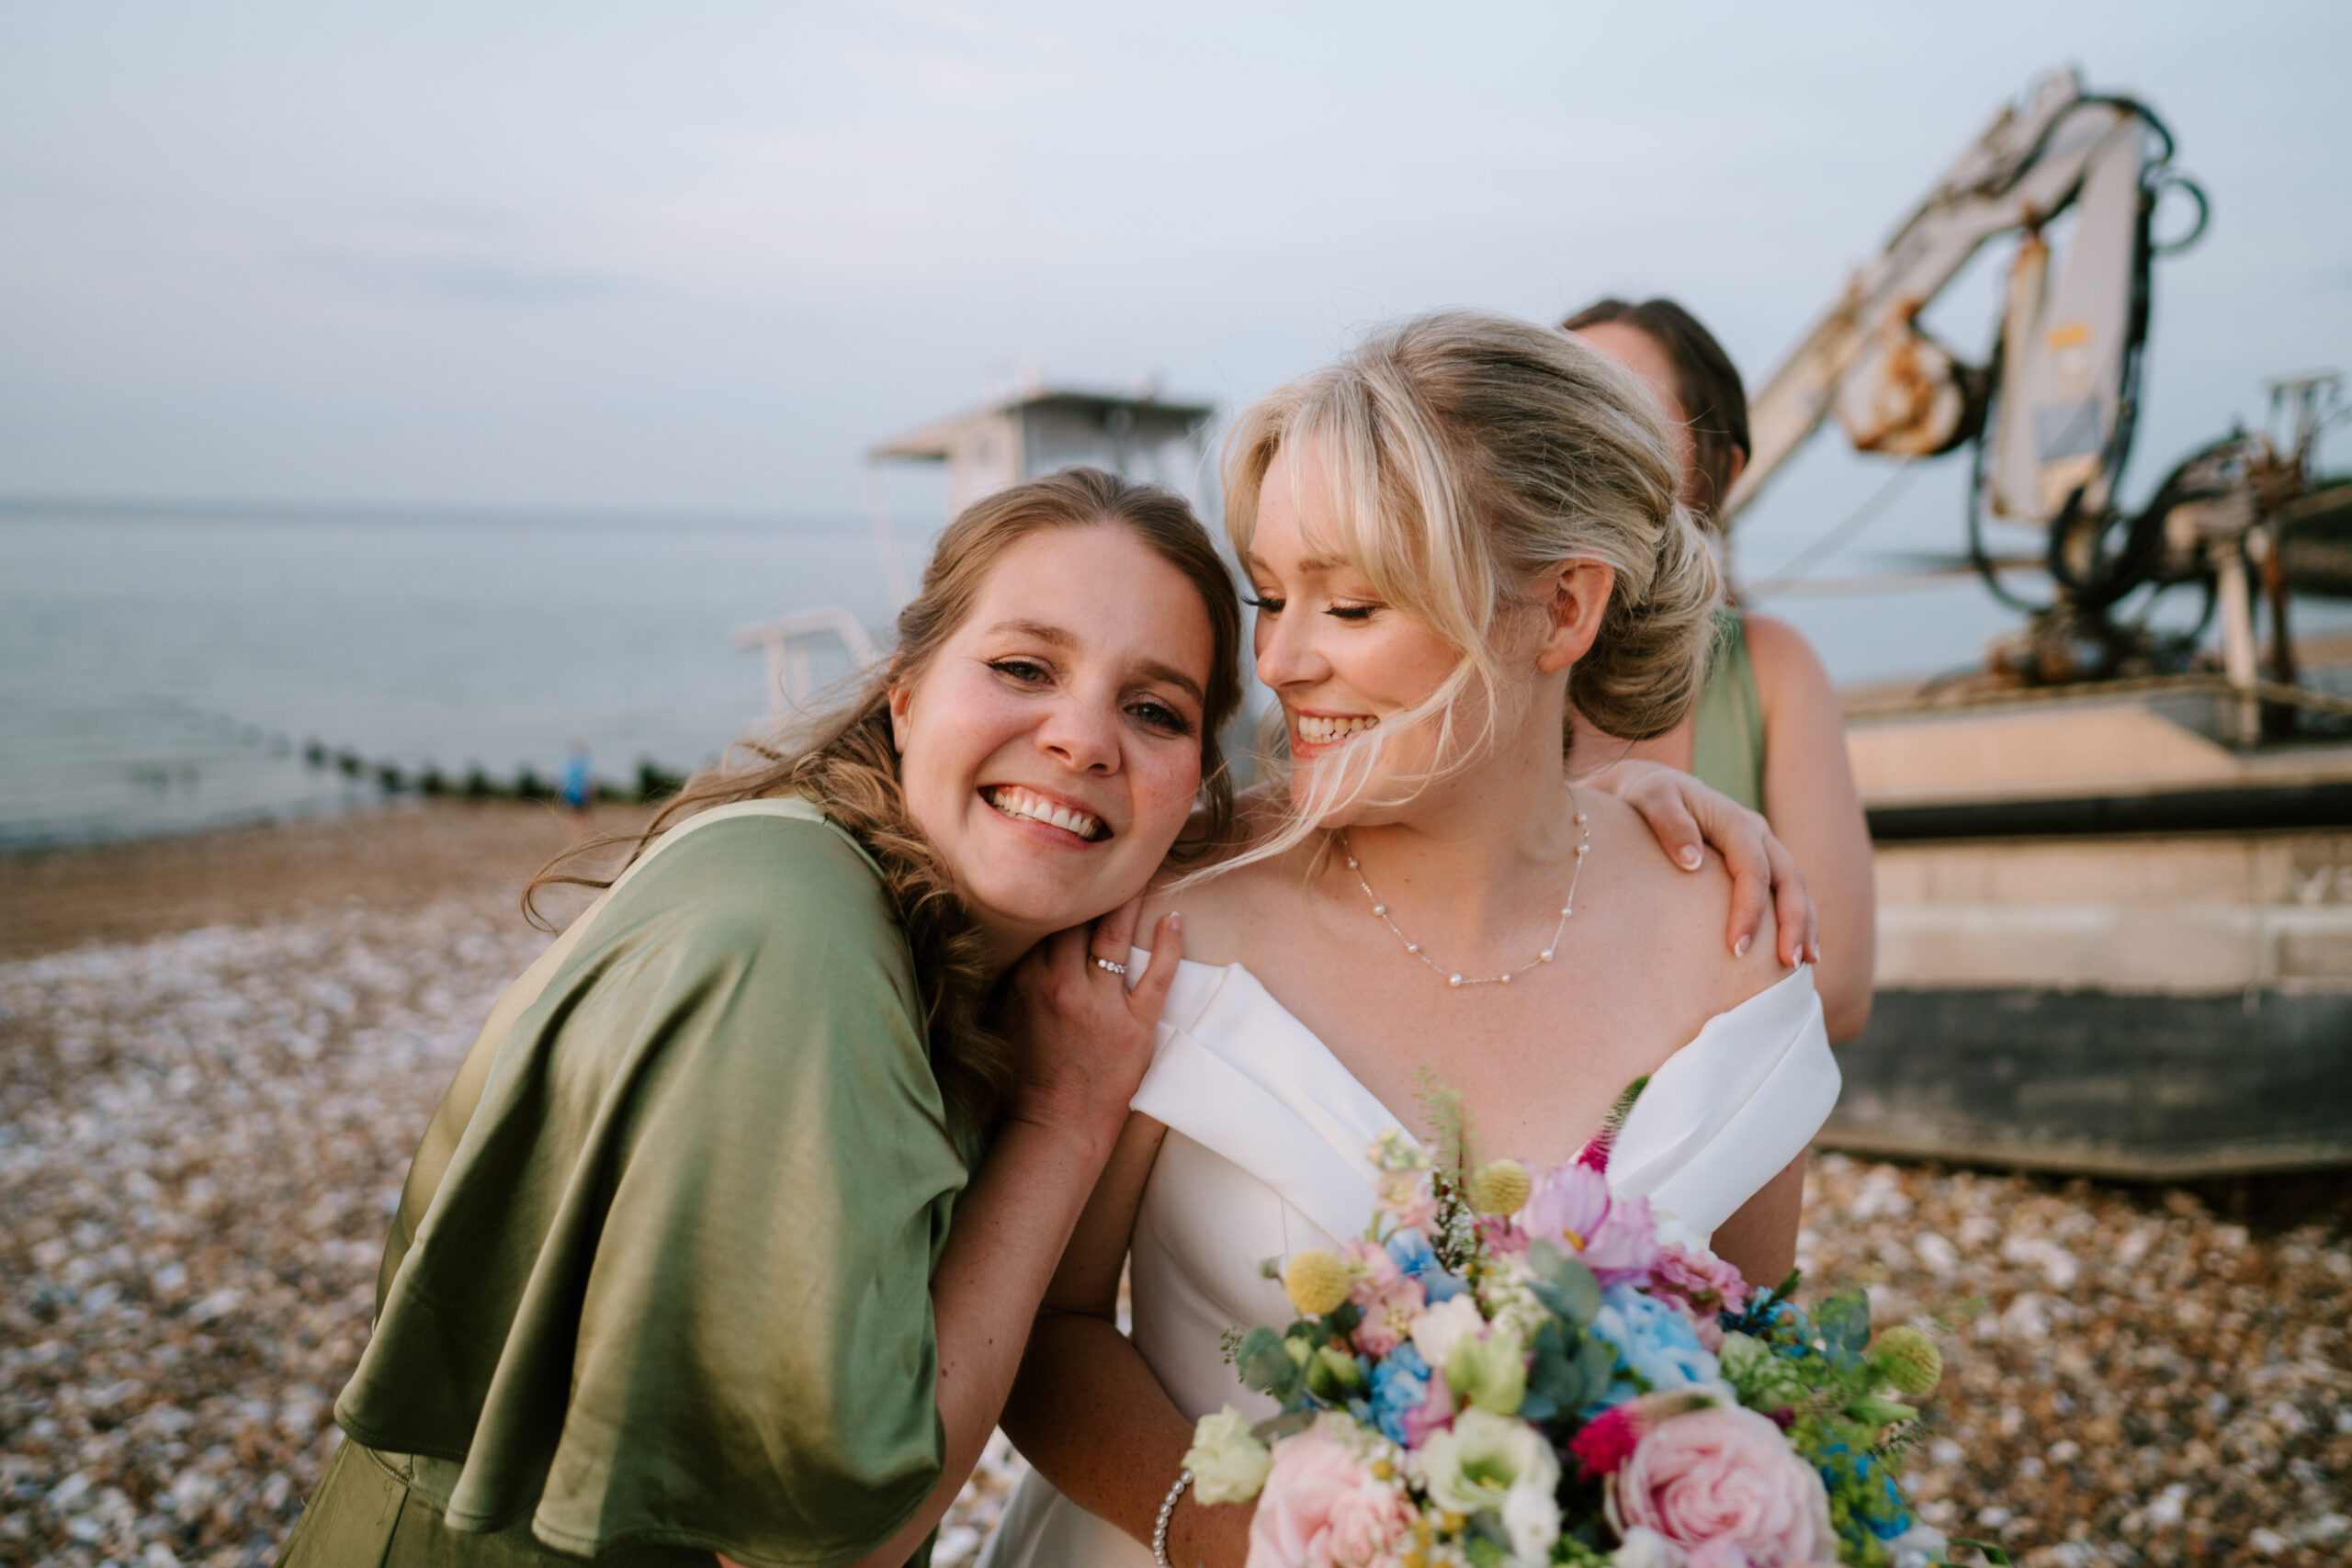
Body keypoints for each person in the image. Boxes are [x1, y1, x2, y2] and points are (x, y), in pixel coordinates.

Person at [980, 313, 1845, 1568]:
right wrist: (1245, 1537)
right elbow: (1044, 1325)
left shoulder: (1737, 937)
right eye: (1269, 597)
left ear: (1561, 610)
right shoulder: (1172, 922)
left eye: (1350, 602)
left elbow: (1753, 1370)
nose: (1278, 660)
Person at [277, 468, 1245, 1568]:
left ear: (1194, 783)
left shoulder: (942, 950)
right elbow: (839, 1544)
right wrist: (1062, 1120)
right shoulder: (795, 936)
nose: (1081, 740)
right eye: (1024, 667)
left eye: (1154, 709)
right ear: (907, 692)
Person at [1562, 296, 1876, 1043]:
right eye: (1565, 409)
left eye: (1630, 413)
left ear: (1720, 473)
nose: (1589, 444)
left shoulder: (1768, 668)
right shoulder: (1479, 665)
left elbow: (1836, 988)